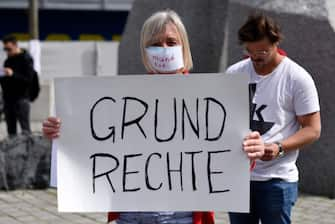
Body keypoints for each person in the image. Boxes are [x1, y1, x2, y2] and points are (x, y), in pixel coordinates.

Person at [43, 10, 265, 224]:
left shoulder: (213, 98)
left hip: (183, 217)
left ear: (184, 47)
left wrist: (251, 149)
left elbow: (229, 162)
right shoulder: (122, 98)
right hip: (131, 216)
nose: (164, 49)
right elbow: (92, 142)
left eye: (171, 42)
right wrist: (61, 133)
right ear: (144, 50)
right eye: (155, 44)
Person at [226, 13, 321, 224]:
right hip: (238, 178)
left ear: (276, 42)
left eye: (262, 51)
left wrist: (278, 147)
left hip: (278, 179)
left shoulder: (297, 77)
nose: (255, 57)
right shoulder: (233, 73)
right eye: (249, 51)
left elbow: (313, 129)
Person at [0, 35, 34, 137]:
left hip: (21, 99)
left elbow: (28, 80)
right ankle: (12, 152)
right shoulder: (8, 61)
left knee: (25, 130)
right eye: (5, 49)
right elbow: (5, 82)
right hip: (8, 99)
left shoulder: (26, 59)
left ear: (15, 45)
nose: (7, 51)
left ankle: (28, 152)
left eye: (9, 49)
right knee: (11, 131)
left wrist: (13, 74)